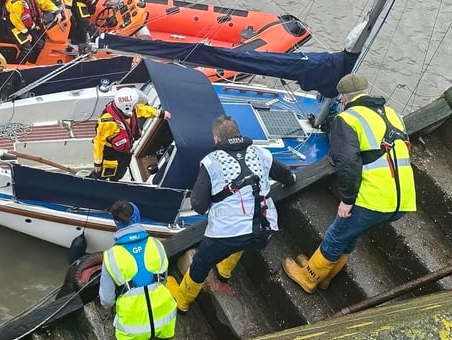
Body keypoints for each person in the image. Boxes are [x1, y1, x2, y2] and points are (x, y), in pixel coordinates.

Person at [282, 73, 416, 293]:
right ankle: (326, 276)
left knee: (337, 235)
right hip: (402, 200)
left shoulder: (348, 119)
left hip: (374, 199)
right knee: (350, 235)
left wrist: (347, 199)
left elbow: (348, 162)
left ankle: (309, 278)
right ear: (367, 92)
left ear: (344, 99)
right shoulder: (393, 114)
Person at [166, 115, 296, 311]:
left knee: (201, 262)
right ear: (238, 133)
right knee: (247, 229)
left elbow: (199, 205)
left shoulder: (211, 162)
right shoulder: (261, 153)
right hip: (264, 230)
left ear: (216, 139)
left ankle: (183, 300)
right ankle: (225, 271)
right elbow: (287, 176)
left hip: (226, 235)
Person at [81, 200, 177, 340]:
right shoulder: (157, 245)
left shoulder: (111, 257)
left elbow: (106, 301)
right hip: (165, 319)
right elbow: (162, 278)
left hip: (134, 327)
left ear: (116, 223)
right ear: (138, 216)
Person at [92, 87, 171, 181]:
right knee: (105, 171)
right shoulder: (107, 122)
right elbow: (98, 142)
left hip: (125, 149)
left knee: (121, 170)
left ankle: (115, 181)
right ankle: (94, 182)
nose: (136, 106)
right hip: (110, 152)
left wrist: (160, 113)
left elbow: (143, 110)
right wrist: (98, 162)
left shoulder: (130, 110)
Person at [4, 0, 62, 64]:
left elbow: (44, 2)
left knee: (39, 43)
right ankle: (18, 66)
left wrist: (56, 10)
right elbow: (15, 20)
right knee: (27, 49)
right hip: (15, 27)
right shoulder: (16, 2)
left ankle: (30, 62)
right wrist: (26, 33)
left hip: (27, 24)